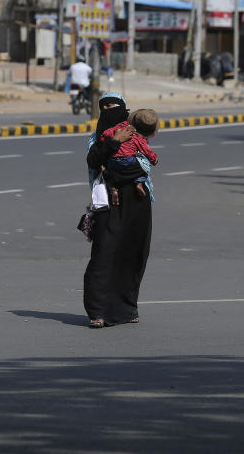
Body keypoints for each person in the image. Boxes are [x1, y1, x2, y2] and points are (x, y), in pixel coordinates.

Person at [84, 92, 154, 329]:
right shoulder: (97, 138)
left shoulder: (135, 132)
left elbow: (144, 161)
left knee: (134, 253)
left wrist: (128, 172)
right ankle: (97, 312)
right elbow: (94, 161)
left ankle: (127, 307)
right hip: (109, 201)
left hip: (137, 199)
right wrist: (114, 141)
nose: (109, 109)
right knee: (104, 253)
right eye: (104, 106)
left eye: (114, 105)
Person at [100, 108, 159, 202]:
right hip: (128, 161)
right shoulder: (137, 137)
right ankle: (138, 183)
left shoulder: (118, 127)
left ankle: (113, 189)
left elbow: (106, 134)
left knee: (109, 174)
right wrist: (154, 160)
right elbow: (147, 151)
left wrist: (105, 140)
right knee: (144, 167)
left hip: (113, 160)